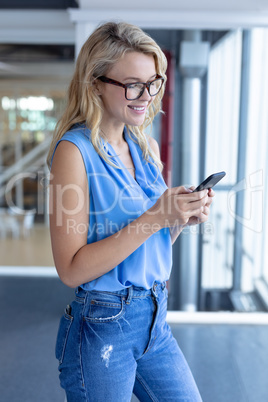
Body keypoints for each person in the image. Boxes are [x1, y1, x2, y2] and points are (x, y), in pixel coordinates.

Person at [48, 21, 214, 402]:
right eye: (133, 84)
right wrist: (156, 216)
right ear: (95, 84)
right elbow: (71, 269)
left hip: (154, 317)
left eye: (153, 82)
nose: (146, 95)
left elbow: (149, 241)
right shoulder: (73, 154)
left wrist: (177, 219)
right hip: (103, 325)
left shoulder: (145, 146)